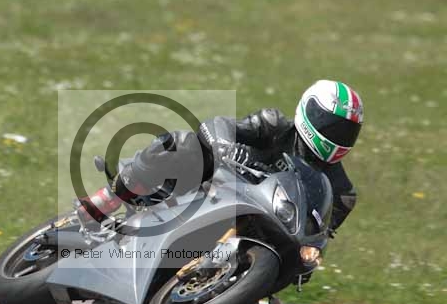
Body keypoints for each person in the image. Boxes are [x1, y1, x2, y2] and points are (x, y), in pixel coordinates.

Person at [78, 79, 363, 236]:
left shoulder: (341, 193)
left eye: (345, 131)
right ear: (308, 111)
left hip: (259, 227)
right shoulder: (274, 125)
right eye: (329, 124)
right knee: (180, 143)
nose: (336, 135)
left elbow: (319, 235)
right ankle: (110, 196)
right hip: (214, 185)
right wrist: (225, 147)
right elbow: (217, 124)